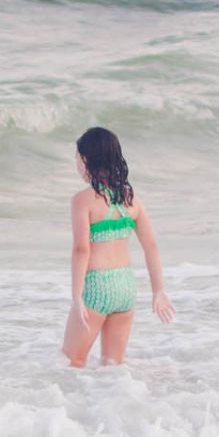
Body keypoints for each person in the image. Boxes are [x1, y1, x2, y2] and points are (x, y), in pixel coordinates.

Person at [62, 126, 173, 367]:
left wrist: (77, 297)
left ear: (86, 160)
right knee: (113, 365)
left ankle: (71, 406)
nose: (77, 165)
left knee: (72, 360)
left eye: (77, 159)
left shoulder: (83, 201)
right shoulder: (131, 200)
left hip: (97, 286)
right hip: (125, 287)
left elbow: (82, 249)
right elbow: (151, 246)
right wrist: (158, 290)